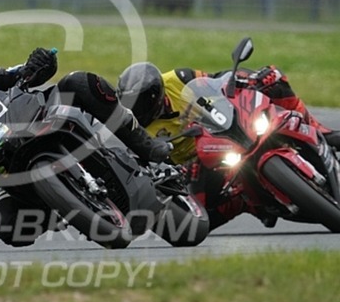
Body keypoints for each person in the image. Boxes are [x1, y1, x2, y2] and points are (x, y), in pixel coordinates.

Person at [0, 48, 171, 247]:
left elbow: (23, 73)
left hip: (38, 121)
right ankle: (62, 208)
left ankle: (144, 145)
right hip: (14, 175)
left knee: (78, 82)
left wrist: (40, 62)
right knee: (4, 223)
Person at [116, 62, 340, 230]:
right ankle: (252, 204)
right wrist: (173, 174)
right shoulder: (135, 129)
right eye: (132, 106)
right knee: (199, 221)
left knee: (275, 78)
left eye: (141, 104)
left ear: (156, 94)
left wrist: (247, 79)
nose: (138, 111)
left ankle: (318, 129)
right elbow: (146, 167)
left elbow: (216, 81)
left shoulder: (176, 79)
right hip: (199, 165)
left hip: (223, 128)